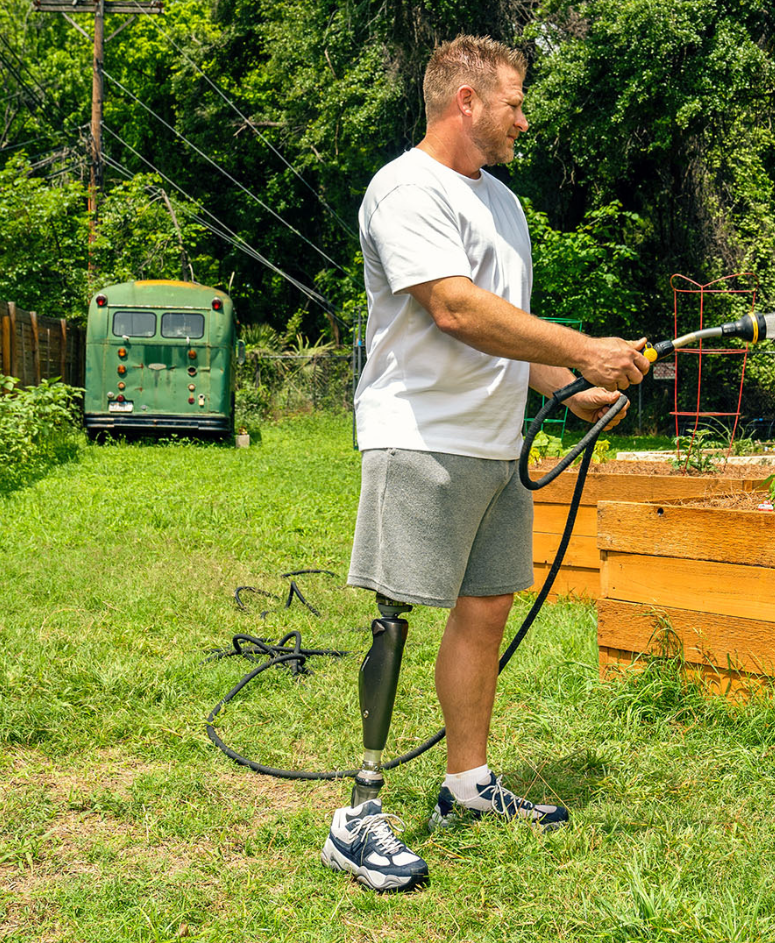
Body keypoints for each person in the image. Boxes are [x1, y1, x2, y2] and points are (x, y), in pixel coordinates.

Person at [320, 35, 650, 892]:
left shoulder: (502, 203)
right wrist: (585, 346)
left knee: (483, 609)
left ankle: (465, 783)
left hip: (496, 441)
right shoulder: (403, 189)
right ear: (465, 100)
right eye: (512, 102)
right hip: (420, 434)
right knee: (396, 614)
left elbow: (505, 330)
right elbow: (456, 311)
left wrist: (568, 381)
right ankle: (357, 813)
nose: (522, 118)